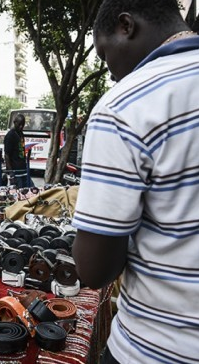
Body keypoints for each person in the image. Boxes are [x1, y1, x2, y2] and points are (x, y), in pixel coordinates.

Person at [71, 2, 199, 364]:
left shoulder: (126, 105)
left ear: (126, 26)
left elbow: (95, 270)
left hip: (156, 349)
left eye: (104, 53)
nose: (108, 70)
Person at [4, 113, 30, 188]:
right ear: (15, 122)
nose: (21, 126)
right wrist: (11, 173)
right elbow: (7, 155)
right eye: (19, 124)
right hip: (16, 172)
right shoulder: (10, 135)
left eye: (23, 124)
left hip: (23, 170)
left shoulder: (21, 134)